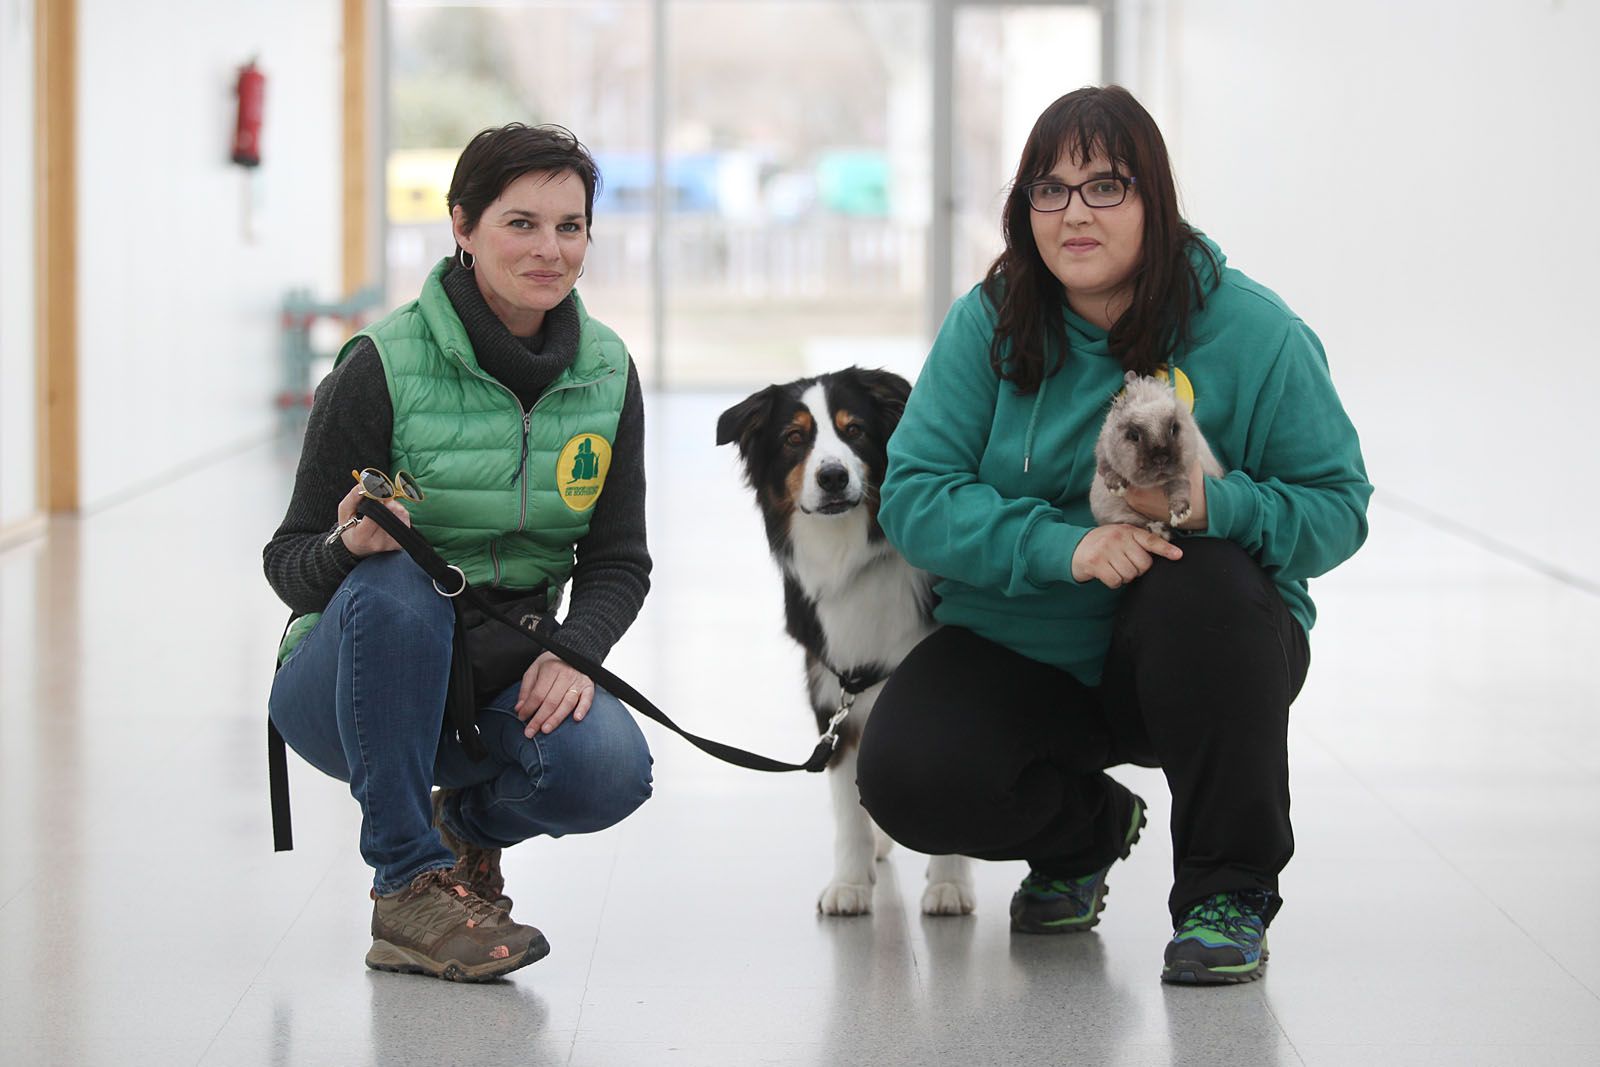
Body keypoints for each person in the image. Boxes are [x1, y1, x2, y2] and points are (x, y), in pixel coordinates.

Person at [855, 86, 1371, 985]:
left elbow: (1338, 506)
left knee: (1201, 582)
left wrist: (1220, 509)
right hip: (1025, 645)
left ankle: (1227, 889)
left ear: (1155, 201)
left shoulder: (1254, 331)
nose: (1074, 213)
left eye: (1105, 186)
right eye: (1048, 191)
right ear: (1024, 211)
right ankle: (1088, 833)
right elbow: (915, 496)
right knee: (906, 777)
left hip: (1199, 650)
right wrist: (1065, 546)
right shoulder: (990, 321)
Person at [264, 123, 653, 982]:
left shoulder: (607, 372)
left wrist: (576, 649)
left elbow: (621, 558)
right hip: (345, 678)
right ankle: (405, 882)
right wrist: (347, 543)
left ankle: (463, 830)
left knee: (611, 771)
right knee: (398, 580)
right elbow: (287, 561)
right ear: (462, 227)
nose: (549, 250)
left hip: (495, 668)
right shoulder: (381, 363)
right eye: (521, 223)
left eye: (571, 226)